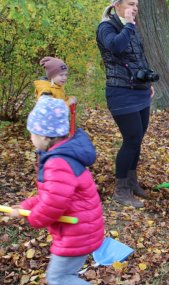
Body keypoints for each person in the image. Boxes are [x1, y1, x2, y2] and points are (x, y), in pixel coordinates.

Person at [9, 96, 104, 285]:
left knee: (59, 278)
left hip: (77, 233)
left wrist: (34, 217)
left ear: (44, 136)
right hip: (79, 230)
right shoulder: (61, 155)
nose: (31, 138)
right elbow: (51, 194)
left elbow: (54, 203)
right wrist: (24, 207)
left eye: (32, 134)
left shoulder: (57, 162)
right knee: (63, 277)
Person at [96, 0, 159, 208]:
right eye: (131, 4)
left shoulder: (129, 28)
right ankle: (120, 190)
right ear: (117, 5)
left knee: (137, 138)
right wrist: (129, 25)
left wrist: (147, 83)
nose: (135, 9)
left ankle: (131, 182)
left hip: (139, 91)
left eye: (136, 5)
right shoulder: (107, 27)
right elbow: (115, 47)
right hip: (121, 93)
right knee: (131, 139)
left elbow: (138, 57)